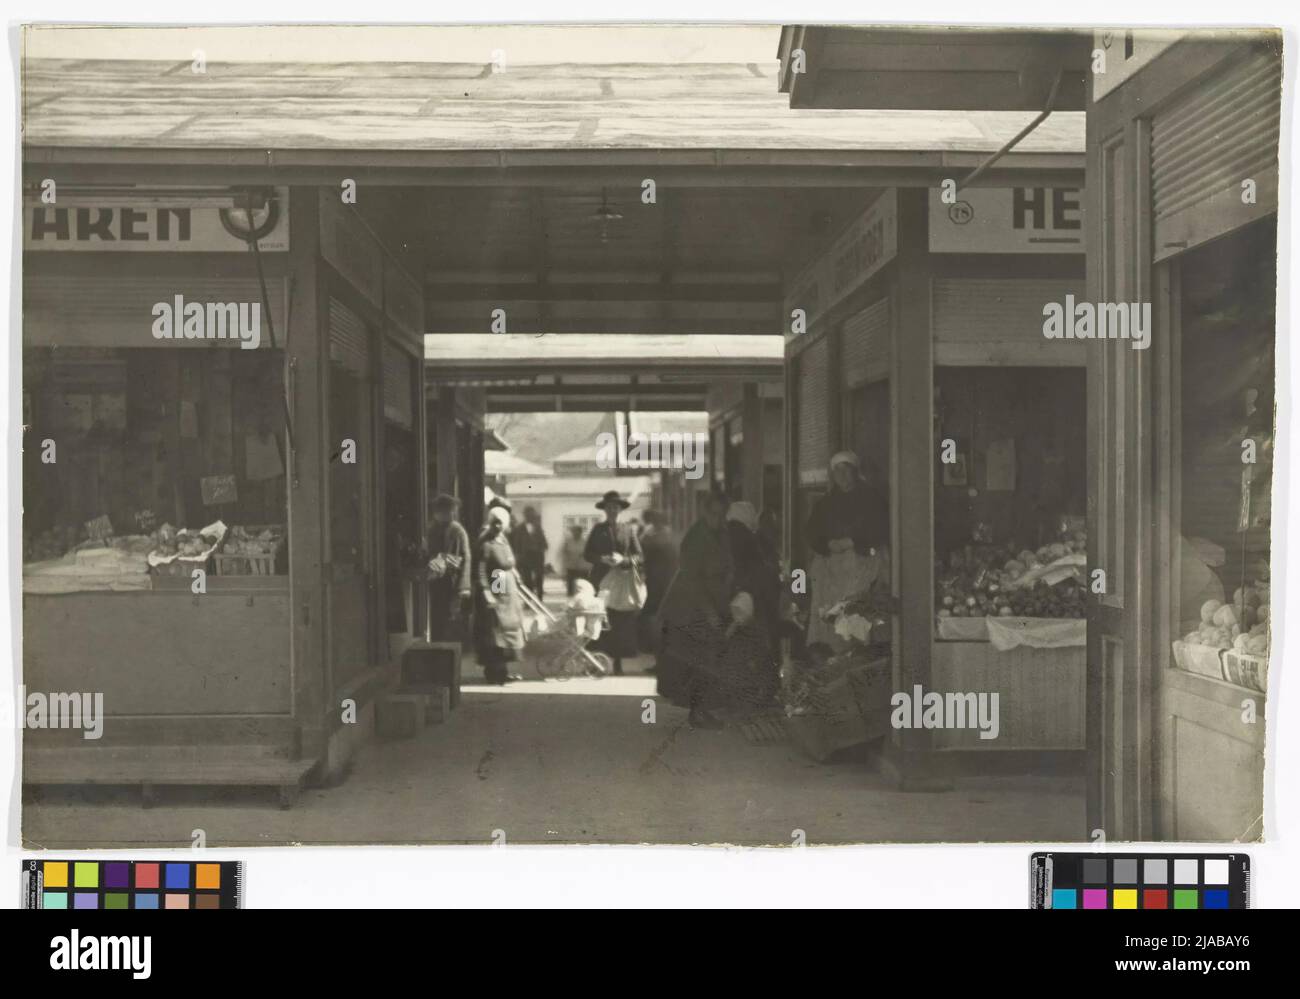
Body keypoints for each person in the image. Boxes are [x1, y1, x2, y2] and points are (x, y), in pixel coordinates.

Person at [656, 491, 733, 726]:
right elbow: (692, 580)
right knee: (700, 660)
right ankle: (699, 712)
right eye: (713, 513)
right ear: (704, 512)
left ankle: (702, 711)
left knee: (706, 660)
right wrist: (709, 612)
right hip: (690, 607)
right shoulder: (696, 537)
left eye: (722, 514)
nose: (717, 518)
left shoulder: (720, 533)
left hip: (709, 603)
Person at [804, 451, 889, 650]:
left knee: (857, 616)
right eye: (837, 471)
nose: (842, 475)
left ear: (855, 472)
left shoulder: (872, 498)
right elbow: (811, 532)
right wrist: (827, 545)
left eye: (846, 469)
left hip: (863, 565)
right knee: (831, 617)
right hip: (831, 569)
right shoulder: (825, 503)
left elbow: (881, 529)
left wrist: (853, 542)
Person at [584, 490, 644, 676]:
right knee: (598, 619)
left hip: (621, 581)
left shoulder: (628, 530)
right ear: (605, 509)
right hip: (601, 580)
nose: (613, 510)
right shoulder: (598, 530)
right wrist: (602, 559)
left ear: (620, 509)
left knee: (619, 621)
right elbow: (587, 554)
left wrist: (623, 561)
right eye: (609, 507)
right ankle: (597, 661)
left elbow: (639, 556)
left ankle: (617, 662)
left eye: (615, 507)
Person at [475, 505, 525, 685]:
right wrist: (488, 593)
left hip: (506, 583)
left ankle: (502, 670)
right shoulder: (486, 543)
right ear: (490, 523)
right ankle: (495, 672)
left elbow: (509, 562)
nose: (498, 527)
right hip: (496, 582)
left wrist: (517, 575)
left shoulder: (503, 540)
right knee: (497, 631)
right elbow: (480, 570)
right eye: (494, 523)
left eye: (501, 523)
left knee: (508, 627)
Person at [424, 493, 473, 642]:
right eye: (447, 511)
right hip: (435, 580)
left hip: (452, 581)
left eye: (452, 511)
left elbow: (465, 559)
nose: (451, 514)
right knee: (436, 618)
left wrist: (463, 587)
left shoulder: (457, 530)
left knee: (450, 619)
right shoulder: (431, 529)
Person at [637, 510, 679, 655]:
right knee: (654, 615)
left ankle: (657, 649)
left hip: (663, 581)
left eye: (655, 521)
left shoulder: (664, 535)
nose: (653, 524)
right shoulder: (654, 534)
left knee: (657, 616)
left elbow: (646, 547)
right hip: (656, 580)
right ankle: (655, 649)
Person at [509, 505, 549, 597]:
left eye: (532, 514)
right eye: (528, 514)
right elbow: (516, 543)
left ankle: (539, 598)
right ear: (525, 515)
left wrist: (540, 549)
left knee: (539, 578)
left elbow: (544, 543)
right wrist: (518, 555)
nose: (530, 516)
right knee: (527, 579)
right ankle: (528, 599)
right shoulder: (519, 529)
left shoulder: (538, 528)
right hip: (525, 557)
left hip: (538, 557)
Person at [561, 524, 591, 597]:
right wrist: (563, 566)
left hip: (582, 568)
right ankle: (570, 602)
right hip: (571, 567)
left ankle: (583, 601)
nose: (575, 533)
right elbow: (564, 553)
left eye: (577, 532)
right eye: (573, 532)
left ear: (580, 532)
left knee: (583, 586)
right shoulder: (568, 542)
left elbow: (589, 554)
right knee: (570, 587)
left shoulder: (585, 542)